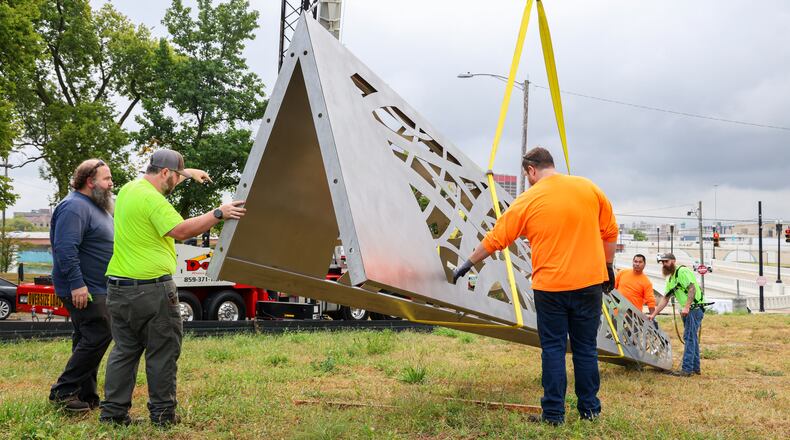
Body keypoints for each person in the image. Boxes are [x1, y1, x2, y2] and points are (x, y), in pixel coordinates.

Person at [452, 147, 618, 425]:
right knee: (585, 349)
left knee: (553, 349)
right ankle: (590, 412)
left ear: (531, 170)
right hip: (589, 283)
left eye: (526, 175)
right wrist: (608, 267)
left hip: (551, 288)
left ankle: (553, 415)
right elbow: (610, 231)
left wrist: (467, 264)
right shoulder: (588, 188)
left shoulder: (527, 200)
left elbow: (496, 239)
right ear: (551, 164)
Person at [99, 149, 246, 426]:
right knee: (163, 351)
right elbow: (181, 230)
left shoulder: (131, 189)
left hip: (118, 288)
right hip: (151, 290)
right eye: (175, 177)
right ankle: (163, 417)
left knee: (124, 351)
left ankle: (113, 415)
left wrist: (189, 173)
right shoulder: (154, 201)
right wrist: (219, 213)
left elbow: (165, 174)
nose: (177, 182)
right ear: (165, 173)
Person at [49, 159, 115, 412]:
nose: (111, 184)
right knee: (100, 332)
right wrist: (77, 284)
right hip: (84, 287)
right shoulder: (74, 207)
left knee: (86, 337)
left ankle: (86, 396)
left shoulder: (97, 205)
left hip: (97, 285)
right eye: (107, 179)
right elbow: (65, 249)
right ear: (90, 181)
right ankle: (63, 391)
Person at [648, 253, 704, 376]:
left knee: (689, 338)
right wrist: (654, 314)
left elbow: (692, 288)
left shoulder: (682, 271)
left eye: (666, 261)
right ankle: (695, 368)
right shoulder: (671, 278)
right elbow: (665, 299)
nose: (664, 264)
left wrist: (687, 307)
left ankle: (687, 370)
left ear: (673, 261)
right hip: (689, 311)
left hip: (693, 310)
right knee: (692, 338)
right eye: (662, 262)